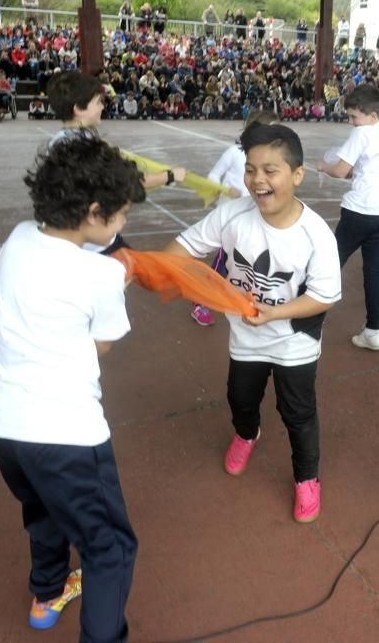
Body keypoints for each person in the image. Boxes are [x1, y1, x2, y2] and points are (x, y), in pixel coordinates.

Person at [0, 134, 145, 637]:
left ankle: (47, 594)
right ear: (94, 211)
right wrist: (116, 284)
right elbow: (100, 346)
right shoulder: (98, 275)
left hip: (4, 426)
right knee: (109, 547)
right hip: (67, 435)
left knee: (43, 511)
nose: (122, 226)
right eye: (119, 217)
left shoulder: (17, 237)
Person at [164, 124, 342, 523]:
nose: (258, 180)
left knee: (298, 413)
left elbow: (324, 297)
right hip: (245, 338)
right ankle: (247, 434)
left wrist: (276, 313)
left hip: (294, 340)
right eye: (250, 169)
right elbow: (185, 246)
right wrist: (160, 267)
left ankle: (306, 479)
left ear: (297, 176)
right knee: (240, 399)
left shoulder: (316, 236)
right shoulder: (232, 215)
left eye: (270, 170)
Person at [47, 71, 186, 254]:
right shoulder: (83, 147)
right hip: (93, 243)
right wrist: (170, 176)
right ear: (79, 109)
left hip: (90, 236)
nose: (102, 107)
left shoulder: (63, 140)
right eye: (98, 102)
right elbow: (125, 184)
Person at [317, 84, 379, 351]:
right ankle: (373, 331)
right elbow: (365, 168)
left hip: (361, 211)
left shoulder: (361, 133)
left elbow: (341, 171)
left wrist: (323, 166)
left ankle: (306, 325)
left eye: (354, 116)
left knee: (328, 263)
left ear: (372, 115)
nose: (352, 122)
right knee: (374, 270)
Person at [190, 110, 280, 327]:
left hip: (255, 216)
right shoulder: (234, 152)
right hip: (231, 217)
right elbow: (213, 175)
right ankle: (201, 301)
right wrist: (224, 189)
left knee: (249, 257)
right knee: (223, 261)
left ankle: (251, 298)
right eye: (272, 129)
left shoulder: (271, 156)